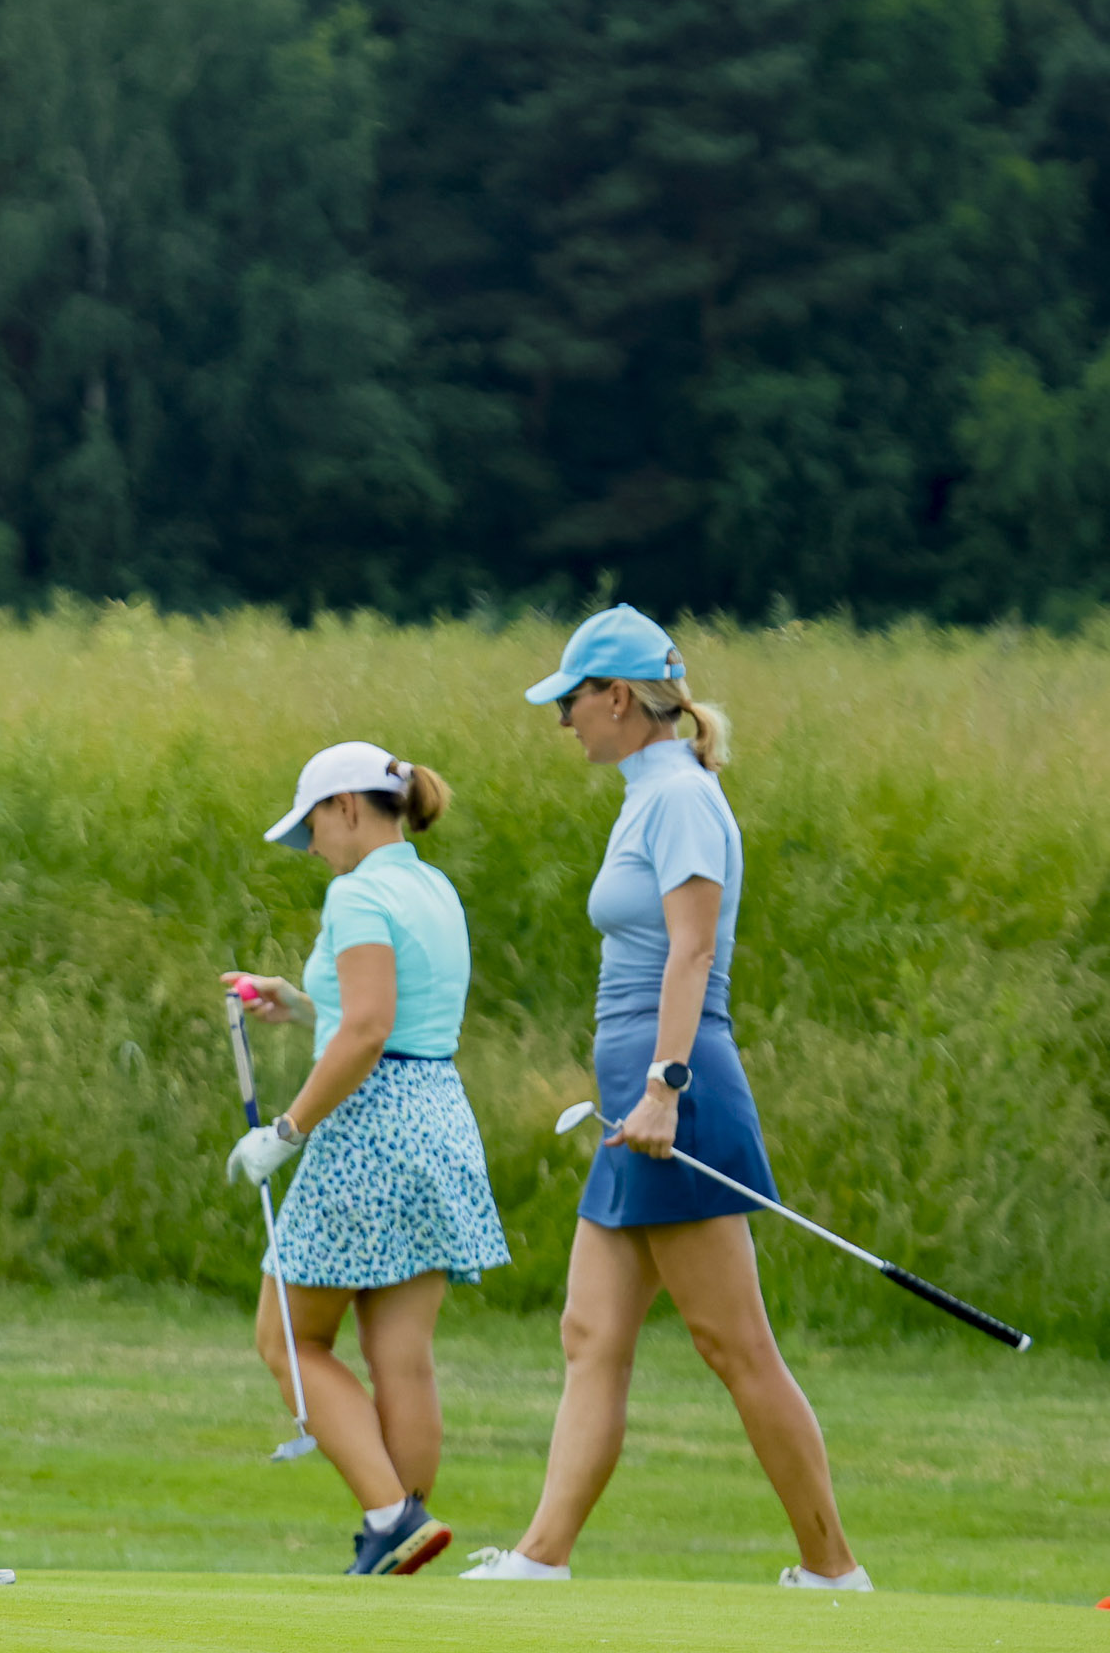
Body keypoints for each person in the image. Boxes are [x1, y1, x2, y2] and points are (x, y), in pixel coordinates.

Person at [460, 606, 870, 1591]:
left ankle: (834, 1568)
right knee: (590, 1331)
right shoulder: (651, 792)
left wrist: (663, 1088)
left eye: (572, 700)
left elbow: (692, 947)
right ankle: (542, 1555)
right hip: (634, 1092)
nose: (563, 721)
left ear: (616, 697)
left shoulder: (679, 795)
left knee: (734, 1343)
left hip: (674, 1090)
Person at [225, 741, 508, 1580]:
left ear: (348, 807)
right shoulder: (431, 885)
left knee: (288, 1339)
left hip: (370, 1130)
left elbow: (368, 1030)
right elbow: (383, 1014)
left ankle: (391, 1517)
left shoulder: (355, 896)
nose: (311, 847)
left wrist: (287, 1127)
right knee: (400, 1355)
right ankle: (405, 1541)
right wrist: (301, 1002)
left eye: (313, 824)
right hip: (439, 1121)